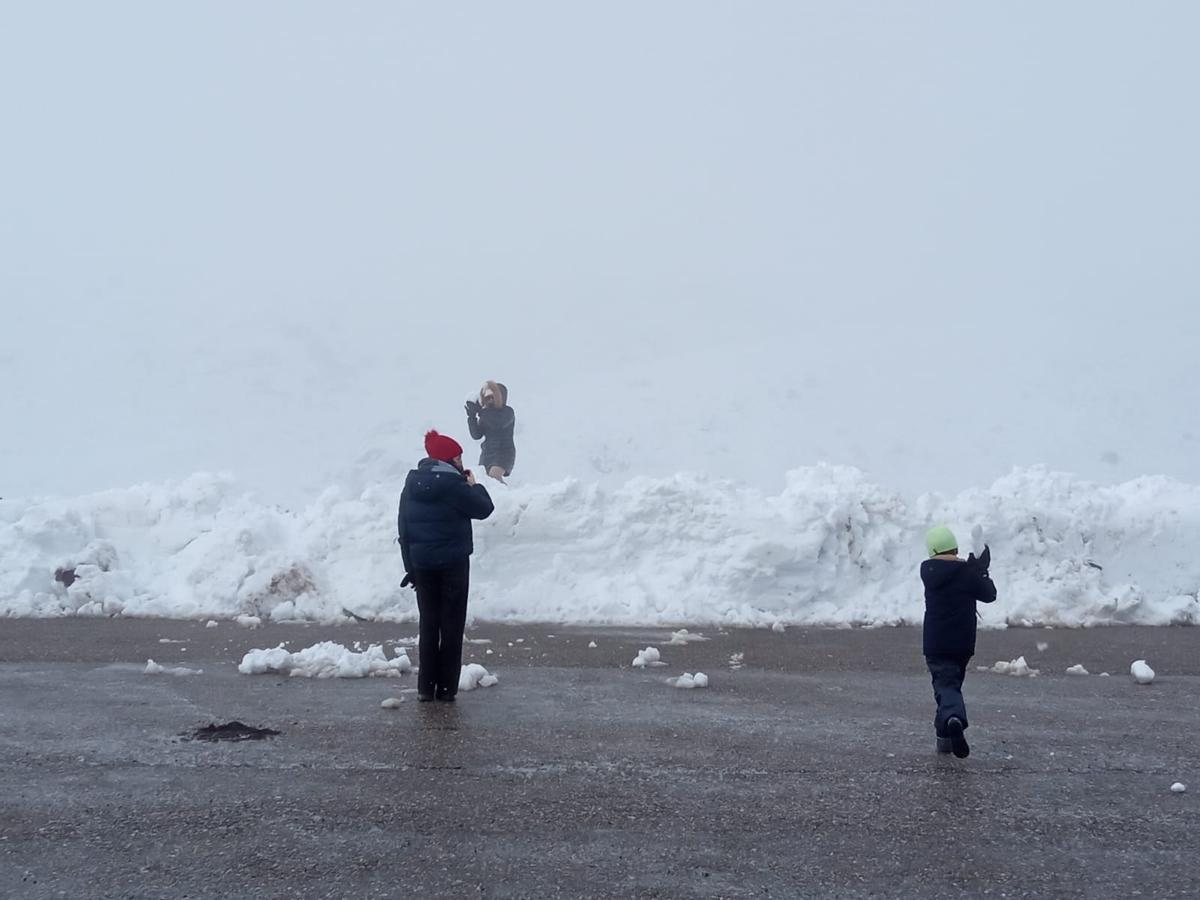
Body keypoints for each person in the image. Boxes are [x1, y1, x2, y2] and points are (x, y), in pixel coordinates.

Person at [397, 430, 494, 702]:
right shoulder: (454, 485)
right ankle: (446, 689)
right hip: (453, 564)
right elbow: (484, 509)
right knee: (451, 626)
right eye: (458, 456)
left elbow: (403, 529)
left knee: (428, 625)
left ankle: (425, 688)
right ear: (447, 459)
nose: (461, 461)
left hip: (423, 565)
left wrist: (411, 567)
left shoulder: (411, 484)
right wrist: (474, 485)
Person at [920, 525, 997, 758]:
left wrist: (974, 569)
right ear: (955, 547)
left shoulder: (929, 571)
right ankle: (944, 739)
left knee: (945, 687)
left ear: (932, 550)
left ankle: (953, 720)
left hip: (936, 643)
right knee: (949, 687)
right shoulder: (967, 573)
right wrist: (981, 569)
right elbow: (989, 594)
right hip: (962, 643)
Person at [464, 380, 516, 482]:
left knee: (494, 476)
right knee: (485, 480)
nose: (490, 400)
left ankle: (503, 496)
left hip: (503, 452)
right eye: (487, 397)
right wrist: (471, 416)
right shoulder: (486, 414)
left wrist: (480, 411)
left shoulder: (507, 412)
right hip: (487, 452)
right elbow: (476, 434)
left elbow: (497, 423)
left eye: (493, 397)